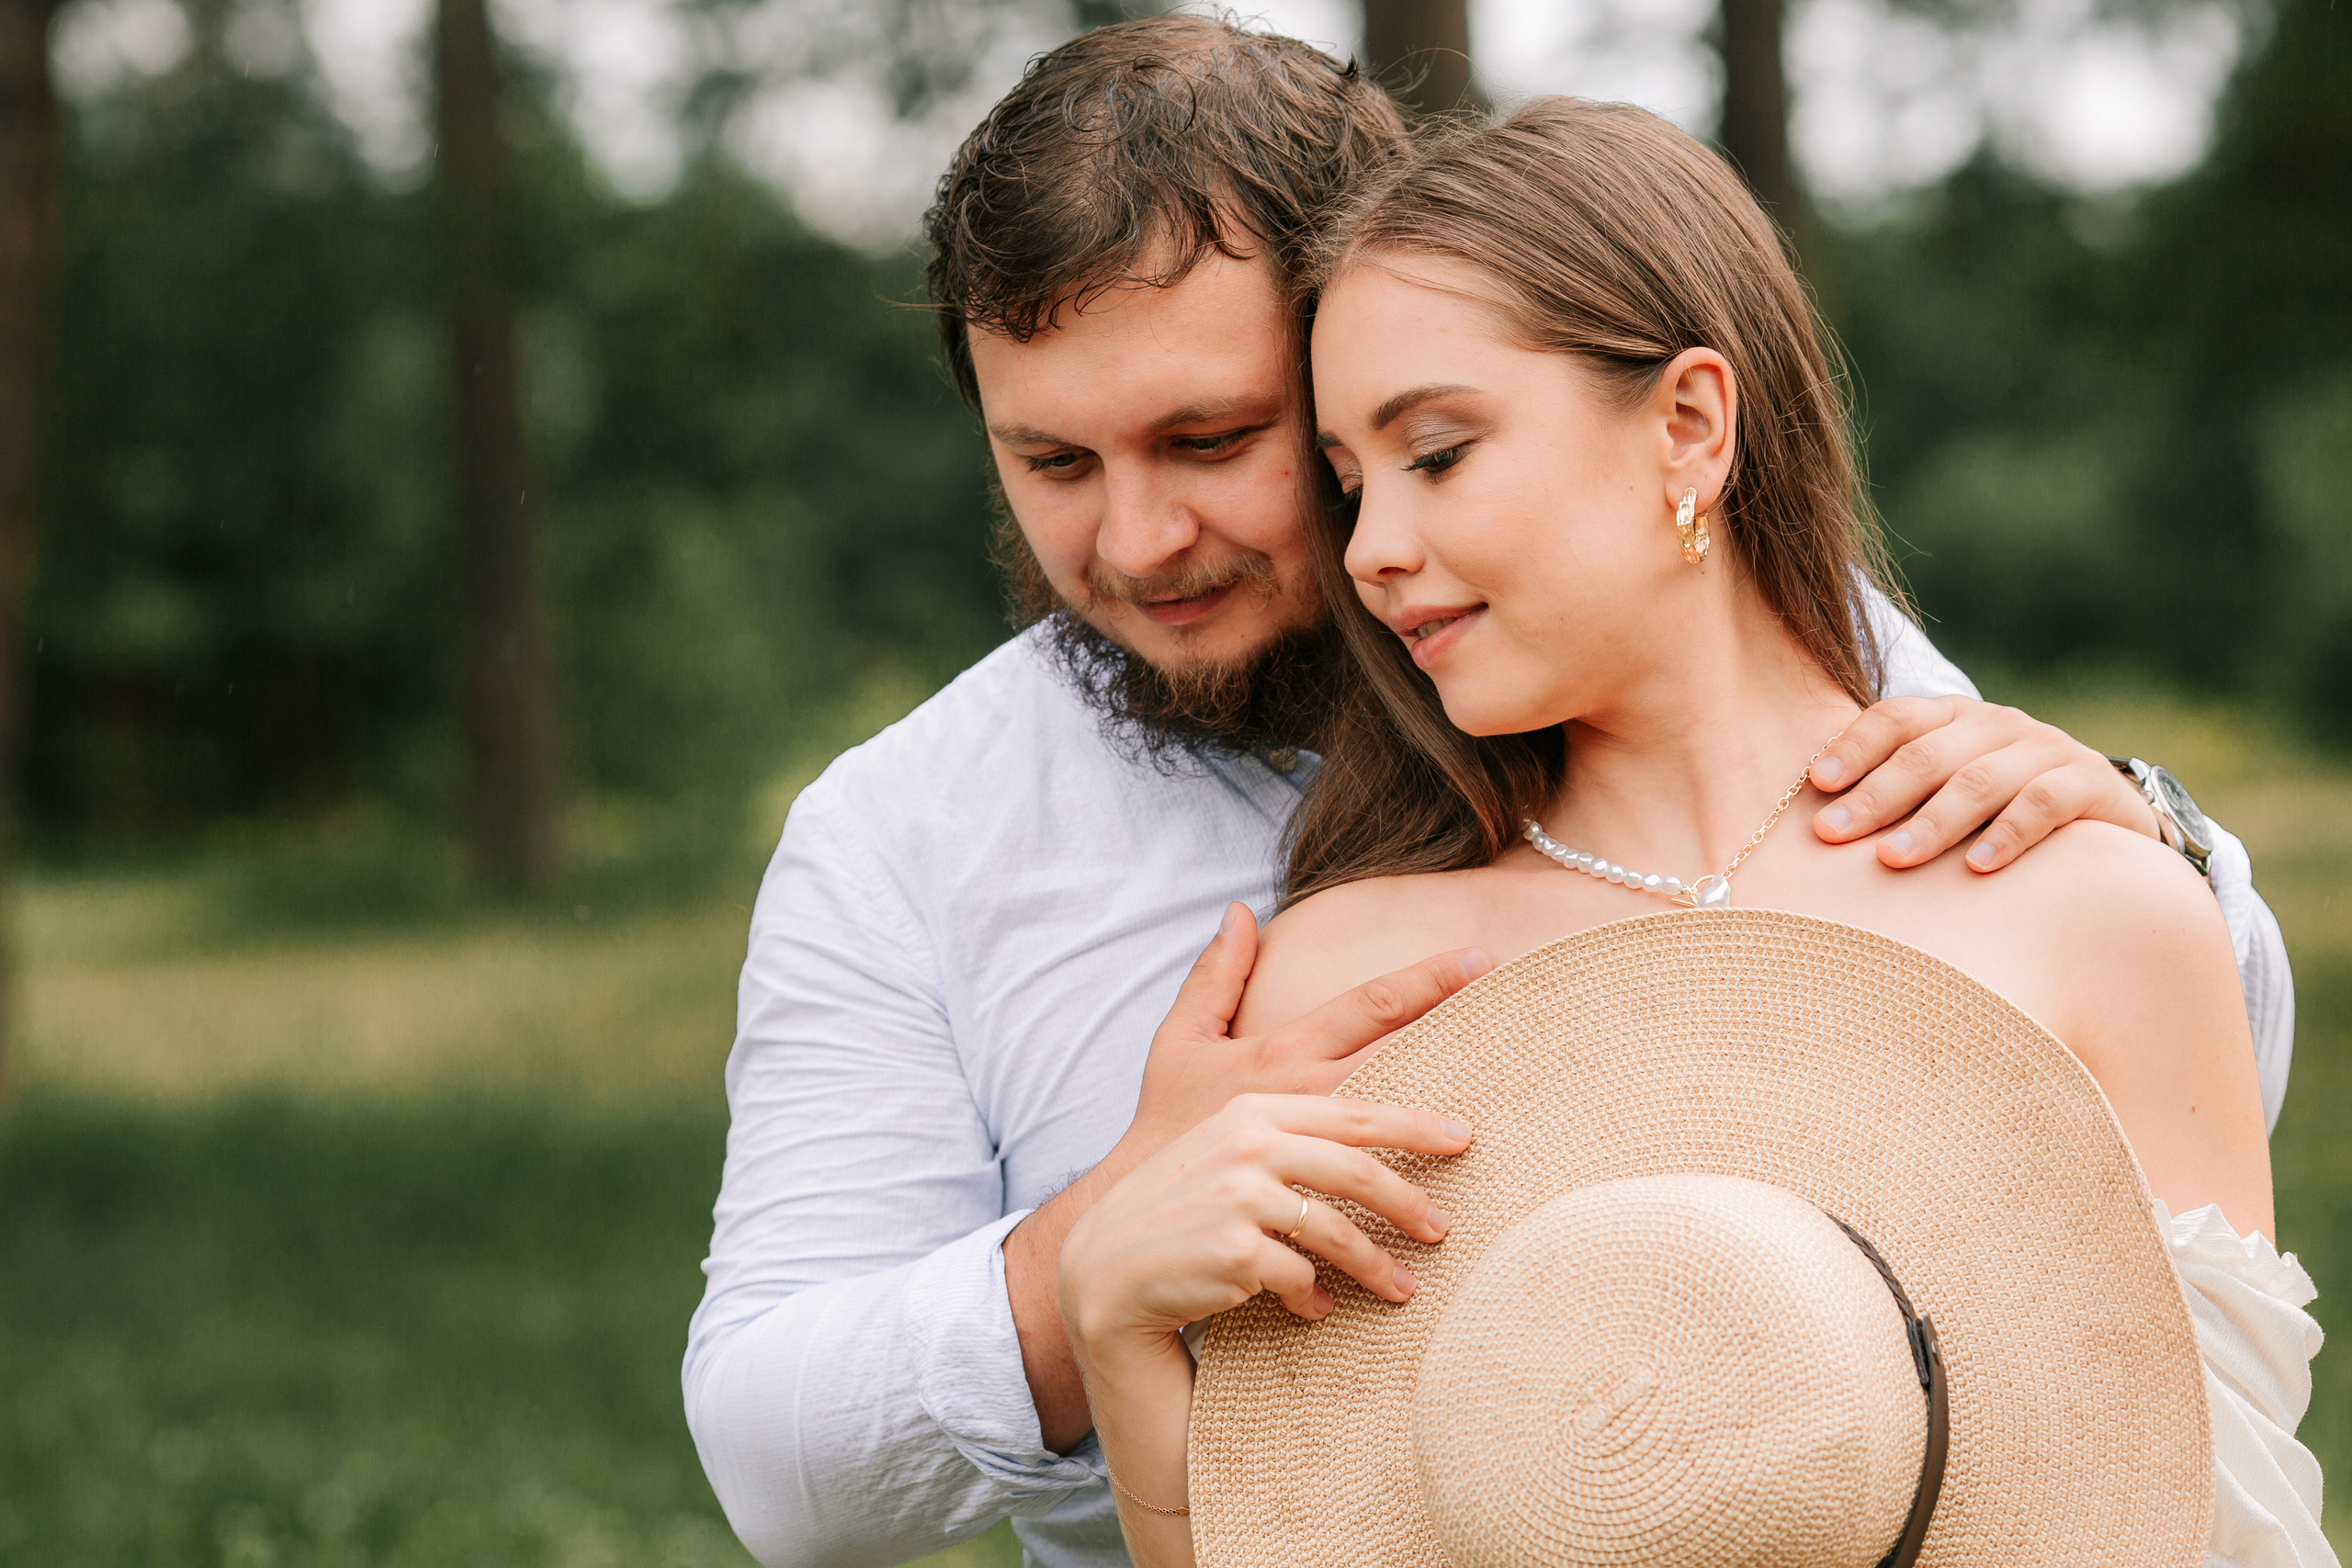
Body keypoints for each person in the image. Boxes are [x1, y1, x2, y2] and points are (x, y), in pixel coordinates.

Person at [683, 19, 2295, 1568]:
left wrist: (2147, 825)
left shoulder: (1749, 629)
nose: (1138, 540)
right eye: (1053, 464)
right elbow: (778, 1471)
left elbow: (2103, 1113)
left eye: (1216, 439)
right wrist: (1101, 1242)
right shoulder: (907, 836)